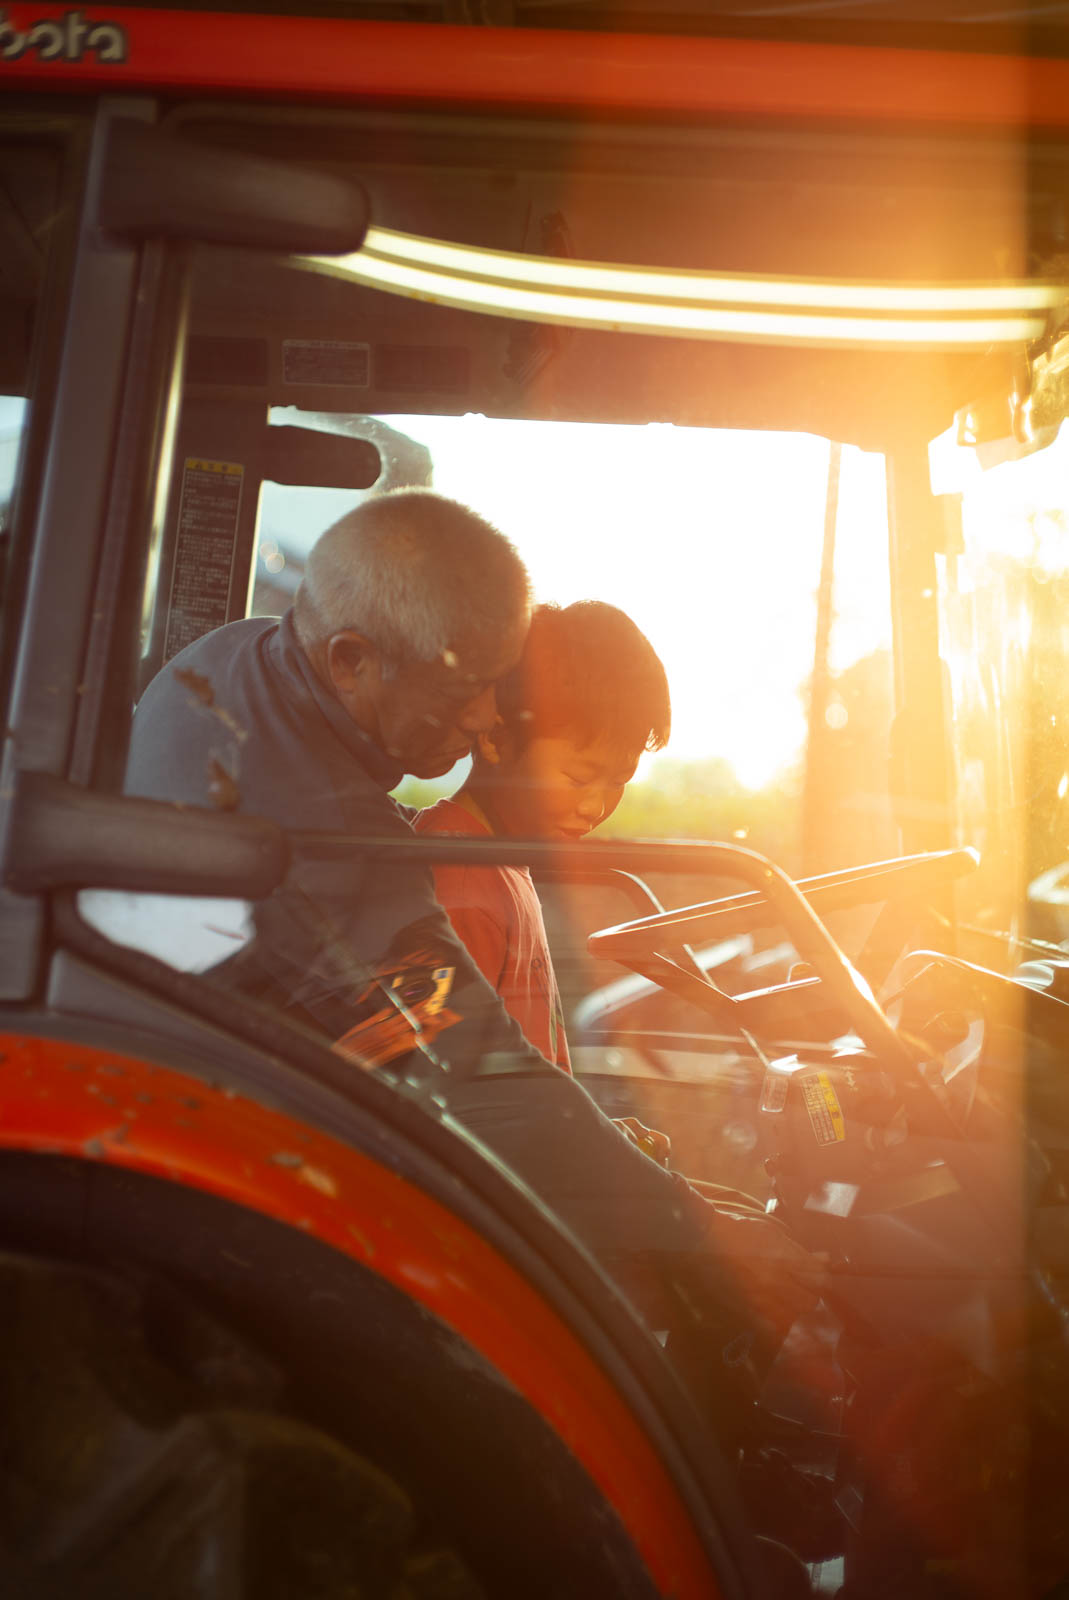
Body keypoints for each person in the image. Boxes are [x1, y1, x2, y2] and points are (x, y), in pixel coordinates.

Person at [126, 488, 821, 1330]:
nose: (494, 718)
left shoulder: (231, 656)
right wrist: (704, 1232)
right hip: (234, 1173)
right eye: (473, 687)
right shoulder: (337, 844)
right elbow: (478, 1082)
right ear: (353, 660)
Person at [414, 599, 667, 1080]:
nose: (595, 806)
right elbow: (463, 1100)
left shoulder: (506, 860)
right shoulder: (463, 891)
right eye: (577, 778)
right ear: (495, 740)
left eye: (618, 781)